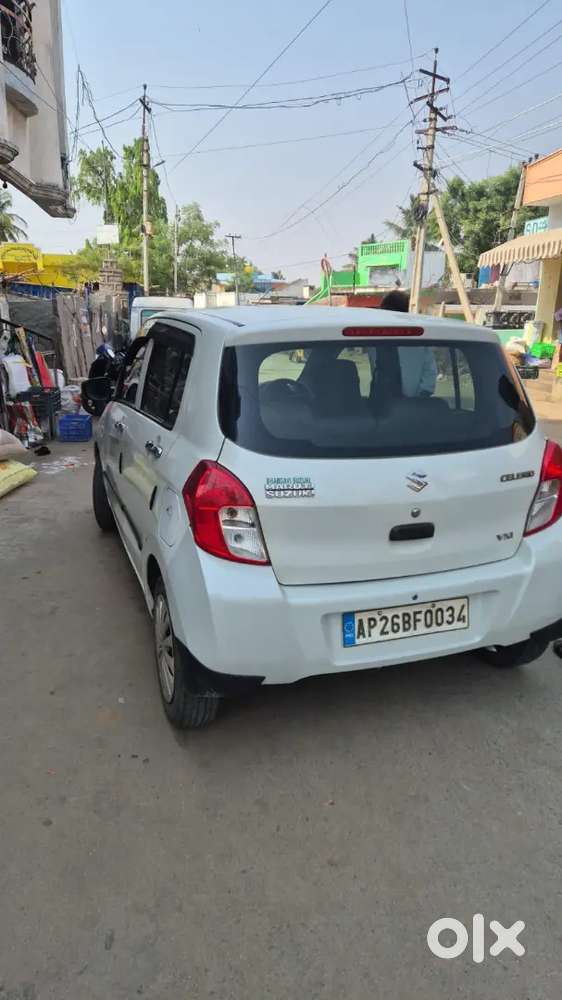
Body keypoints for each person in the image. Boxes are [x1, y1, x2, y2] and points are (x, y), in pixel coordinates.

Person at [378, 290, 438, 397]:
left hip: (408, 404)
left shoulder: (419, 341)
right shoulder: (419, 340)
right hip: (406, 405)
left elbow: (430, 375)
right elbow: (430, 375)